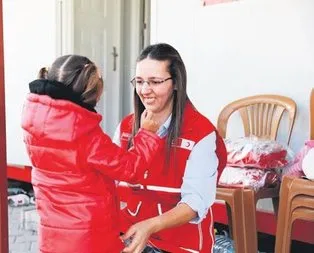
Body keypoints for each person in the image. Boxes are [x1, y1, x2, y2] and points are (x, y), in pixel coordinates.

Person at [21, 54, 162, 253]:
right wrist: (147, 134)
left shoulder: (34, 122)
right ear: (91, 93)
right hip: (89, 239)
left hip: (52, 235)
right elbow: (131, 169)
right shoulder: (84, 133)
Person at [114, 43, 227, 253]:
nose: (145, 90)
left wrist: (150, 225)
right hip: (129, 237)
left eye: (155, 82)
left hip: (179, 245)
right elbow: (110, 182)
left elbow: (195, 203)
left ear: (176, 83)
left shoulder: (200, 133)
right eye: (139, 82)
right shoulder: (125, 128)